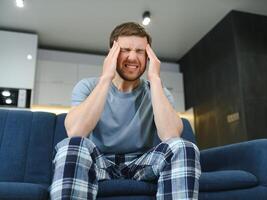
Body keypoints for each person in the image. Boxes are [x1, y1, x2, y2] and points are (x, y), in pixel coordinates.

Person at [50, 22, 201, 200]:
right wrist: (106, 77)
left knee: (183, 146)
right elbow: (75, 132)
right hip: (100, 163)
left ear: (148, 57)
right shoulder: (88, 86)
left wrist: (155, 78)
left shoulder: (158, 91)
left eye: (140, 51)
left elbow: (171, 135)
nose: (132, 57)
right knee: (72, 145)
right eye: (125, 50)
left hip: (142, 164)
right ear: (112, 53)